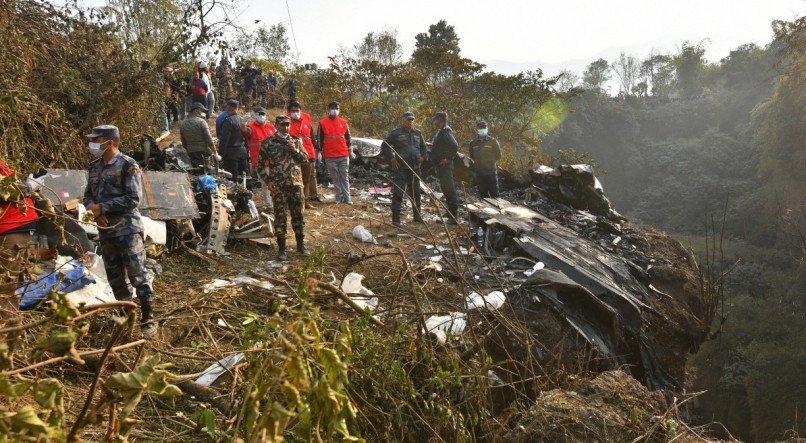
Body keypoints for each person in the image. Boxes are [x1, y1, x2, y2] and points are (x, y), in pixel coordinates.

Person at [82, 125, 156, 337]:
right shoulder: (94, 167)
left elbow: (133, 199)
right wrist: (95, 212)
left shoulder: (128, 165)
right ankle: (126, 317)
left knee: (138, 274)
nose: (92, 143)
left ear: (110, 142)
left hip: (127, 229)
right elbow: (88, 196)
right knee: (115, 278)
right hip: (105, 230)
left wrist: (102, 208)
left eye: (96, 139)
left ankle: (147, 319)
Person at [257, 115, 309, 260]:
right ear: (276, 125)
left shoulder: (296, 141)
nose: (286, 127)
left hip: (296, 185)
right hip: (279, 186)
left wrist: (295, 150)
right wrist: (268, 181)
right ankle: (282, 249)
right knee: (280, 217)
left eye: (288, 125)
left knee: (298, 215)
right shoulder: (268, 143)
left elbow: (305, 160)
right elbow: (259, 166)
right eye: (282, 125)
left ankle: (300, 245)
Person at [0, 160, 40, 324]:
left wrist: (26, 187)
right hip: (11, 228)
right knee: (6, 290)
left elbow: (6, 189)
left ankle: (7, 343)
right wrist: (27, 187)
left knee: (6, 290)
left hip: (11, 228)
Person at [382, 111, 428, 227]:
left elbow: (424, 148)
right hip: (401, 168)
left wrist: (423, 157)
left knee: (416, 192)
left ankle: (417, 216)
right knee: (399, 192)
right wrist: (391, 158)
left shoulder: (418, 133)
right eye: (408, 119)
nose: (410, 121)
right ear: (403, 120)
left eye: (412, 119)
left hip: (415, 168)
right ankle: (396, 218)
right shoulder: (396, 133)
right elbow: (385, 146)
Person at [317, 101, 352, 204]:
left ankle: (347, 197)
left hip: (343, 154)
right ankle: (338, 197)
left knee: (344, 176)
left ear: (339, 110)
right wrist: (319, 151)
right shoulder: (322, 123)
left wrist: (350, 149)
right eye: (332, 108)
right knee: (335, 177)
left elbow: (348, 137)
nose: (334, 110)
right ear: (329, 110)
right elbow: (319, 138)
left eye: (336, 108)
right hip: (330, 155)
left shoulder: (344, 122)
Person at [287, 101, 320, 208]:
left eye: (297, 111)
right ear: (289, 112)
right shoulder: (286, 123)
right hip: (294, 156)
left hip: (308, 154)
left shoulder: (306, 121)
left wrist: (316, 152)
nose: (295, 113)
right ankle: (294, 201)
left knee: (306, 179)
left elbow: (311, 137)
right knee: (294, 180)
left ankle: (305, 201)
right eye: (293, 111)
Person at [430, 112, 460, 223]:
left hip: (446, 167)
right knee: (445, 189)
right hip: (441, 167)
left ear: (440, 120)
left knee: (449, 190)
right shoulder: (441, 132)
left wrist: (447, 158)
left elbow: (454, 145)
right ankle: (449, 213)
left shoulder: (446, 132)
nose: (434, 121)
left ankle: (453, 217)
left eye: (435, 119)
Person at [468, 120, 503, 198]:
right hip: (479, 173)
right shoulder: (473, 143)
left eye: (484, 127)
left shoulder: (493, 141)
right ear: (477, 129)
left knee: (495, 196)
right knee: (483, 196)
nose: (483, 129)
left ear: (487, 129)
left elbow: (499, 156)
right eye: (481, 128)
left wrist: (490, 163)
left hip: (491, 173)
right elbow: (472, 156)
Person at [180, 102, 217, 168]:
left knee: (195, 172)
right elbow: (209, 139)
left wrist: (189, 149)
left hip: (191, 153)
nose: (202, 112)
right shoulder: (202, 122)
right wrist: (215, 153)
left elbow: (183, 141)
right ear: (196, 110)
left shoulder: (183, 123)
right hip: (203, 153)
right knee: (205, 172)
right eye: (201, 110)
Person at [217, 99, 248, 179]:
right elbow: (246, 137)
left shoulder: (228, 121)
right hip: (242, 151)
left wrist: (220, 154)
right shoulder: (242, 120)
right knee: (244, 177)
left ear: (228, 107)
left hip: (231, 153)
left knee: (232, 177)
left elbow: (224, 139)